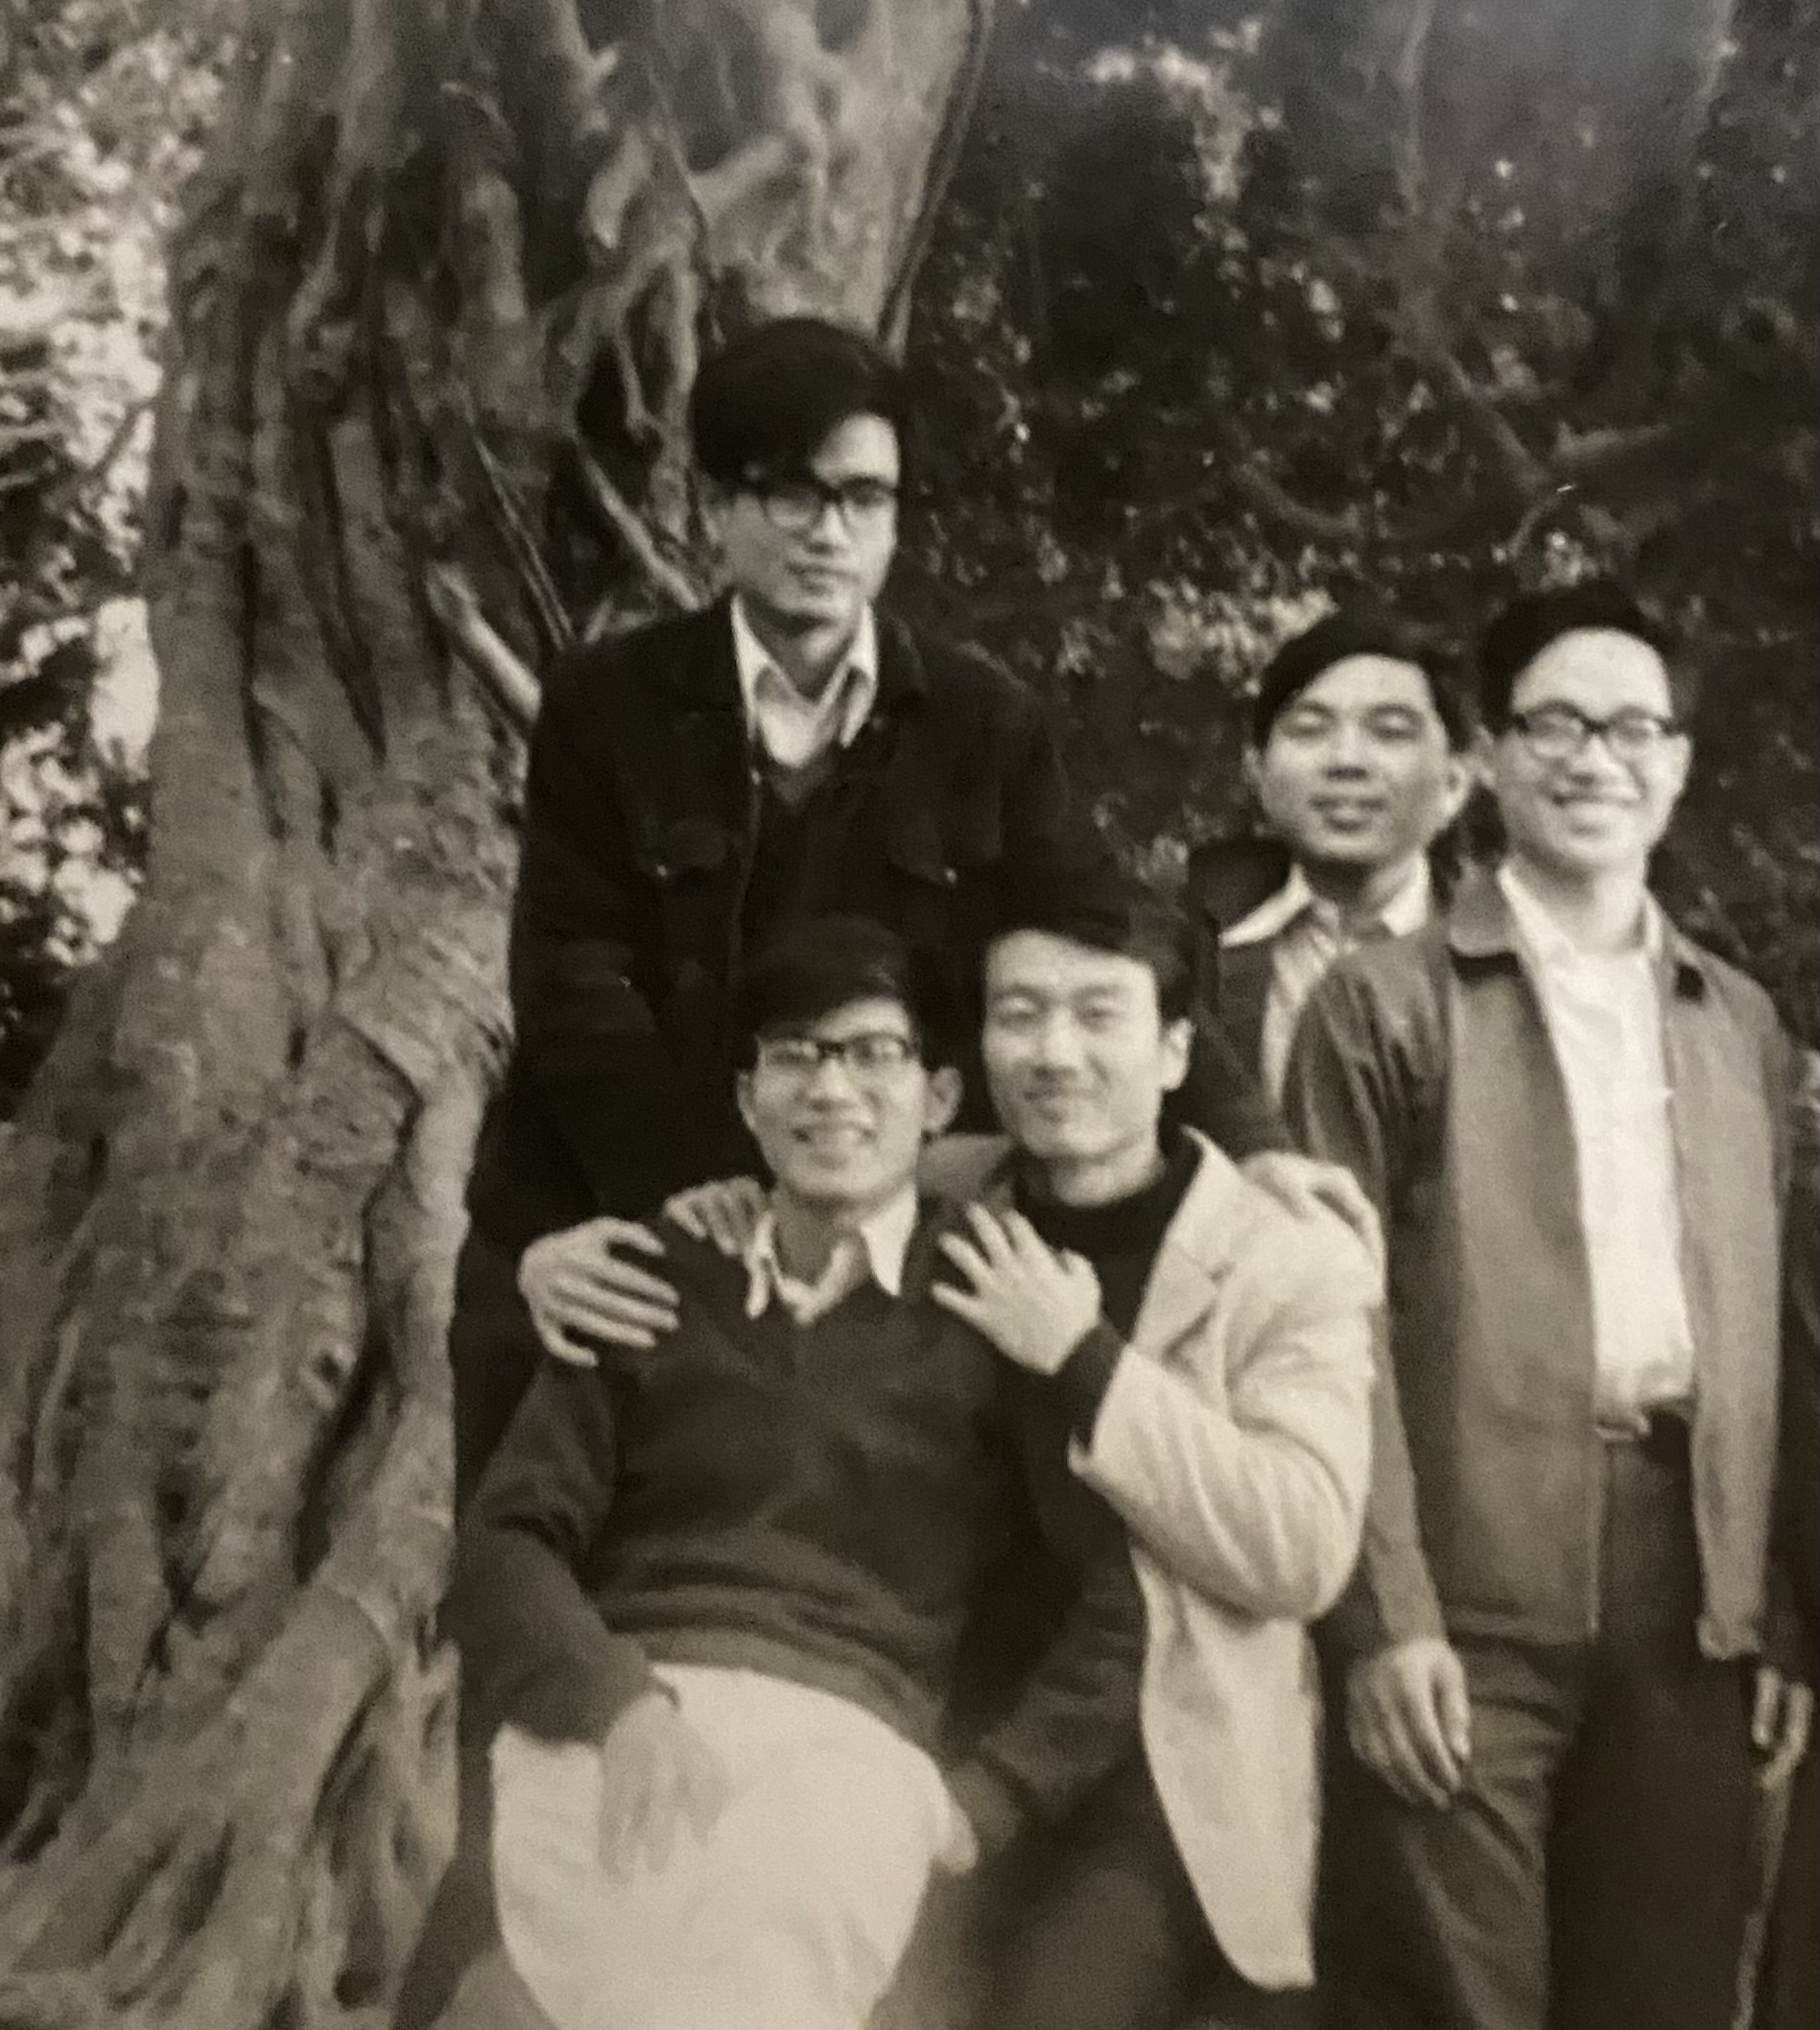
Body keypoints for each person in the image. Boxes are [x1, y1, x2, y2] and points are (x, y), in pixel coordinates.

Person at [455, 313, 1273, 1508]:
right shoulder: (609, 704)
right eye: (791, 494)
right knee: (548, 1546)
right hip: (614, 1210)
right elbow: (574, 982)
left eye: (864, 498)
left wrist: (1254, 1142)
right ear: (714, 508)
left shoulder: (981, 722)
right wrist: (702, 1199)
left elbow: (1107, 928)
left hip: (868, 1237)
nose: (829, 533)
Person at [660, 871, 1381, 2030]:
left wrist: (1086, 1358)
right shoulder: (942, 1184)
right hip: (917, 1722)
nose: (1054, 1053)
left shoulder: (1283, 1257)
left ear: (1174, 1049)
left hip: (1154, 1757)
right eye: (1019, 1013)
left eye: (1098, 1015)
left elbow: (1300, 1548)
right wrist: (615, 1245)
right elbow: (783, 1203)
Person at [432, 918, 1145, 2030]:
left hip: (842, 1750)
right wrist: (618, 1701)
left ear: (939, 1098)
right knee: (568, 1975)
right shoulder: (655, 1272)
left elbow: (1123, 1592)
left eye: (872, 1054)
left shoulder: (998, 1299)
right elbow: (506, 1538)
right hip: (614, 1706)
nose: (831, 1089)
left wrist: (987, 1799)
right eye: (795, 1054)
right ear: (748, 1096)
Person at [1284, 581, 1812, 2030]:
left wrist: (1774, 1608)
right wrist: (1383, 1618)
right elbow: (1327, 1336)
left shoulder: (1739, 1022)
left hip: (1689, 1600)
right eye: (1556, 725)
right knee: (1460, 2001)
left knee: (1665, 2000)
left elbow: (1772, 1331)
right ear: (1490, 757)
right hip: (1465, 1586)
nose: (1595, 760)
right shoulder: (1381, 1006)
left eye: (1633, 729)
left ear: (1679, 765)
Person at [1190, 610, 1472, 1101]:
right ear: (1257, 771)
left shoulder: (1506, 958)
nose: (1346, 761)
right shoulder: (1191, 946)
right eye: (1310, 729)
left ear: (1453, 784)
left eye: (1390, 732)